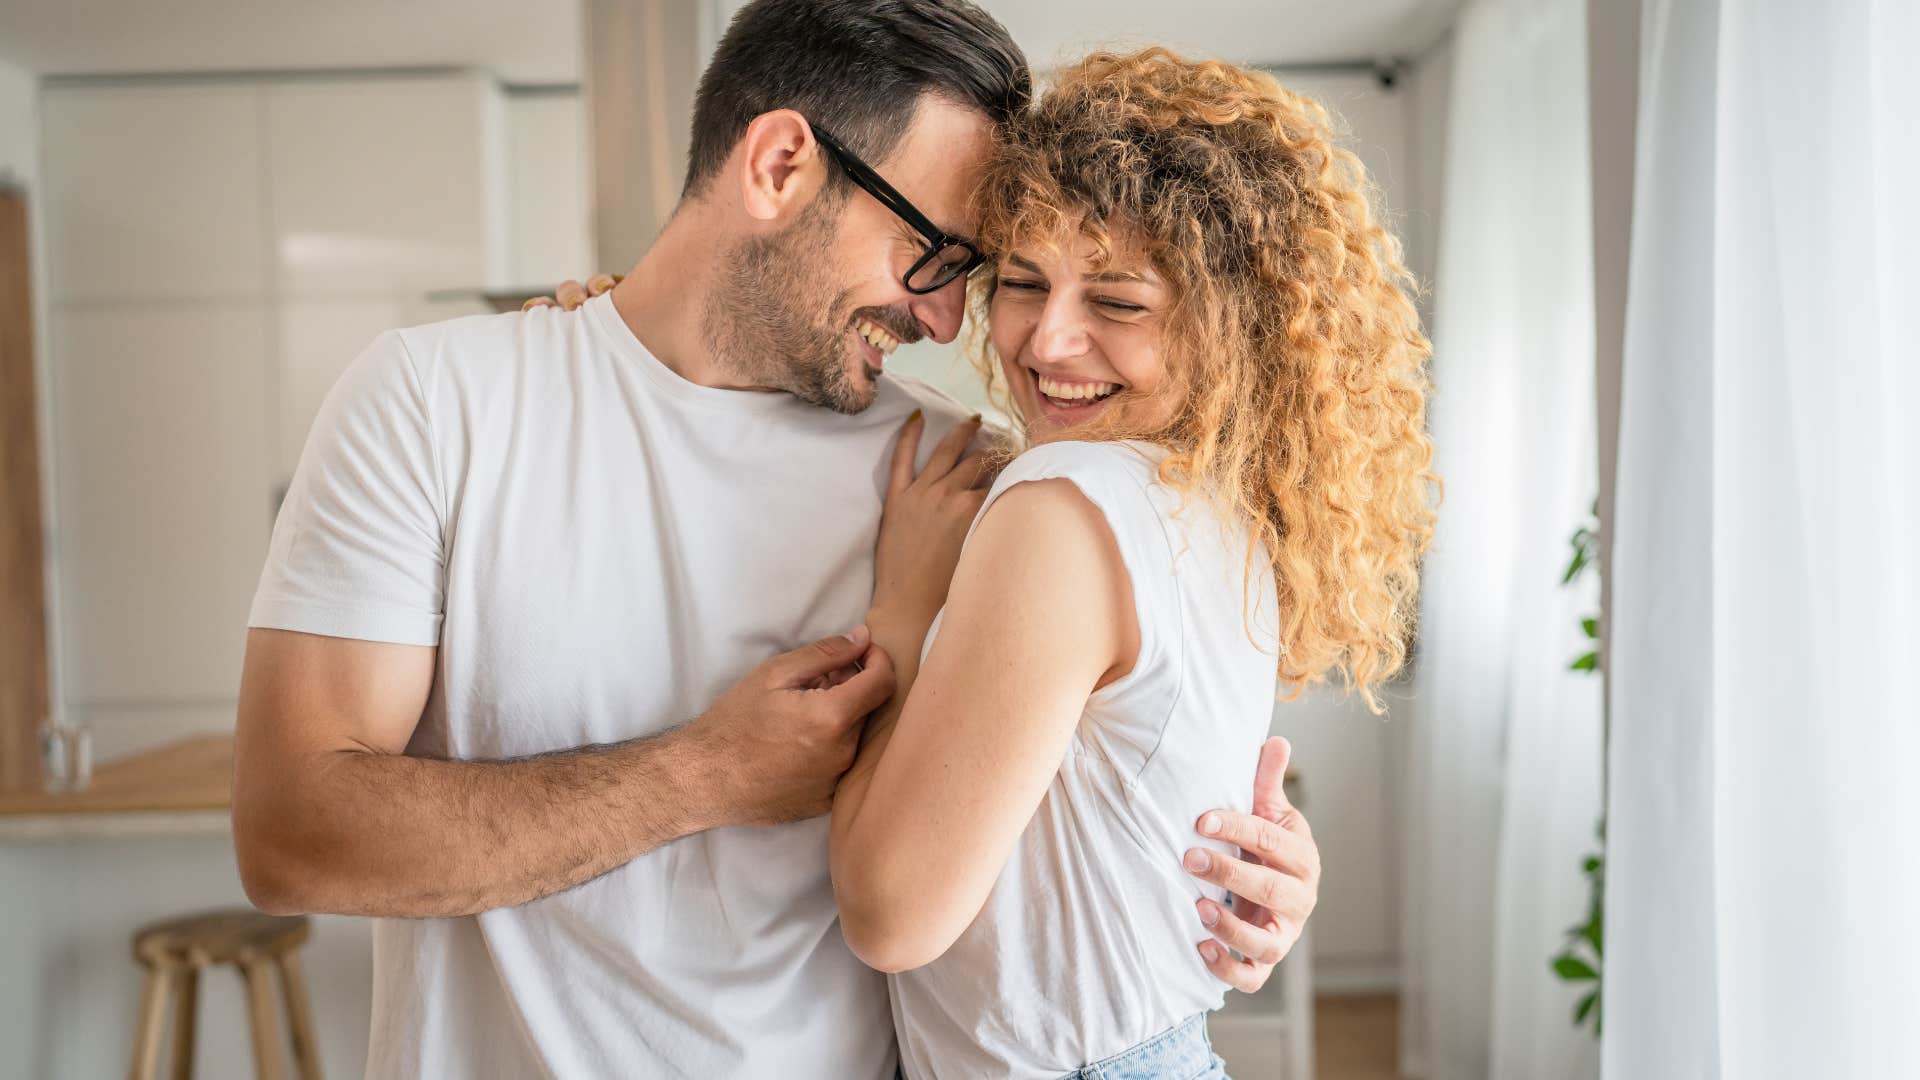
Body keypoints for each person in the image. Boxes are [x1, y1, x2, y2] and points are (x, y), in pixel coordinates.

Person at [231, 3, 1319, 1077]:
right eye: (930, 252)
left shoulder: (966, 487)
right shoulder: (434, 405)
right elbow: (291, 834)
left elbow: (1110, 776)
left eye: (972, 276)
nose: (948, 324)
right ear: (782, 165)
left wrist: (1242, 873)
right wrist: (701, 776)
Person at [827, 49, 1436, 1078]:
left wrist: (899, 618)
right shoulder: (1216, 500)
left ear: (1227, 327)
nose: (1048, 341)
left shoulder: (1061, 507)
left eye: (1117, 303)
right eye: (1022, 282)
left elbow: (892, 917)